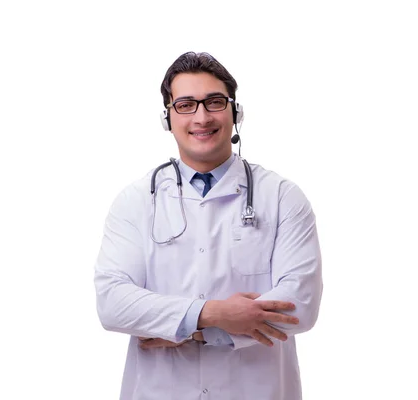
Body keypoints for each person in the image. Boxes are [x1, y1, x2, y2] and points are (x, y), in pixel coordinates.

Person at [94, 51, 323, 400]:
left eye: (214, 102)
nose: (202, 117)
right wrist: (214, 313)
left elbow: (299, 304)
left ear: (236, 112)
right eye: (186, 104)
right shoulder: (136, 201)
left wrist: (193, 331)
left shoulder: (281, 197)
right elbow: (113, 302)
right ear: (167, 118)